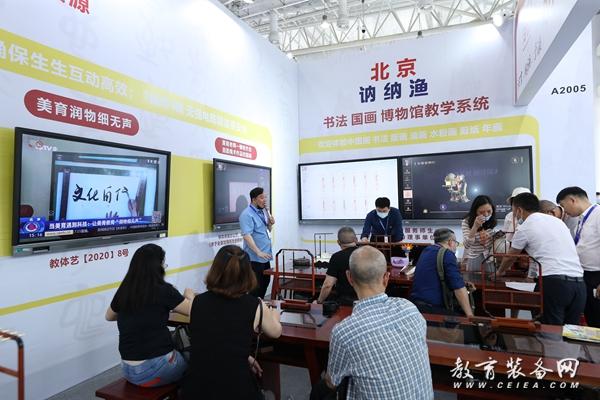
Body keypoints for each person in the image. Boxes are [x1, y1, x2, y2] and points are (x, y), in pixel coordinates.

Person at [312, 246, 433, 400]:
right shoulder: (410, 308)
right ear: (386, 277)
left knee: (321, 389)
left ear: (349, 278)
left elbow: (332, 382)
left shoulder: (345, 331)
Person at [183, 245, 282, 400]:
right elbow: (276, 332)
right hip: (236, 389)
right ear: (247, 273)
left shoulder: (197, 302)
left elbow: (216, 339)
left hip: (195, 389)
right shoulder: (255, 305)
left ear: (215, 270)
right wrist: (275, 314)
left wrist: (245, 356)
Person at [105, 244, 195, 387]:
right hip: (155, 370)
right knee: (196, 357)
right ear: (157, 267)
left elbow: (109, 316)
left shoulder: (125, 289)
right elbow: (193, 310)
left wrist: (134, 313)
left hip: (128, 370)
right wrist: (189, 295)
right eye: (163, 264)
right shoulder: (164, 290)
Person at [497, 193, 586, 326]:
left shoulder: (525, 227)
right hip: (579, 284)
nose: (515, 216)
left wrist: (499, 272)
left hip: (554, 284)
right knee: (571, 331)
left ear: (519, 210)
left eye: (514, 212)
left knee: (549, 330)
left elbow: (510, 256)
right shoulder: (558, 222)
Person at [557, 187, 600, 328]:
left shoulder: (598, 215)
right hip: (585, 275)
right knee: (592, 319)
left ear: (572, 200)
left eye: (563, 205)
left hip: (597, 276)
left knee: (597, 319)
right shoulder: (581, 220)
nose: (564, 211)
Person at [410, 228, 474, 317]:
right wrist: (470, 316)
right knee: (461, 318)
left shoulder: (426, 250)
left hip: (414, 306)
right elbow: (458, 288)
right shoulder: (448, 254)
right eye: (456, 242)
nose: (456, 246)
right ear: (450, 242)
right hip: (432, 309)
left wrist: (463, 283)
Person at [239, 187, 275, 298]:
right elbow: (246, 235)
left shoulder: (262, 211)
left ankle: (261, 305)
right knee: (255, 287)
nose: (264, 200)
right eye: (261, 197)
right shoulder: (246, 214)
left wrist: (270, 223)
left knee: (265, 282)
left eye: (265, 197)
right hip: (254, 258)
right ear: (254, 199)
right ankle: (254, 307)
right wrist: (258, 252)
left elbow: (268, 230)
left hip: (265, 256)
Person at [315, 227, 358, 305]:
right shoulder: (366, 254)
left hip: (345, 303)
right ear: (356, 239)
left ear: (338, 242)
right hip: (366, 301)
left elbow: (328, 285)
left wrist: (319, 301)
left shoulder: (336, 257)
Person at [461, 195, 497, 272]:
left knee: (490, 278)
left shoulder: (492, 220)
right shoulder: (466, 222)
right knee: (474, 279)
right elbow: (467, 245)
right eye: (481, 212)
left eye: (489, 211)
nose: (486, 214)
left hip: (490, 258)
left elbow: (494, 242)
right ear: (475, 211)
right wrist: (475, 227)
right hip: (474, 258)